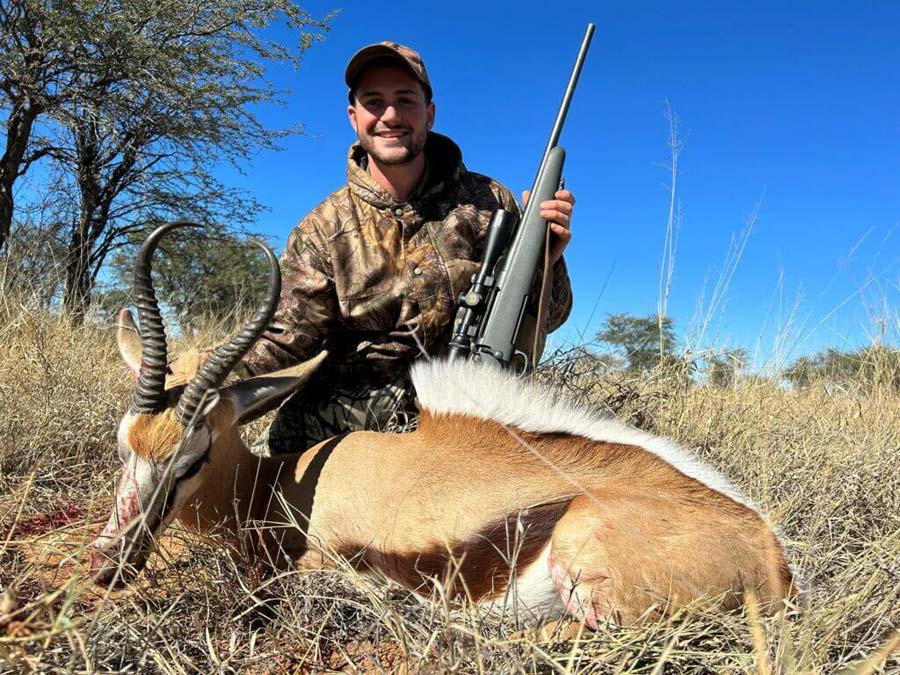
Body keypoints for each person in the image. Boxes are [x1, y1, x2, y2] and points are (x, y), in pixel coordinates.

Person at [237, 41, 576, 454]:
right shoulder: (322, 230)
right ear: (354, 117)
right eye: (374, 102)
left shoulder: (492, 202)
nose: (391, 116)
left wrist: (549, 261)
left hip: (474, 413)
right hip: (353, 433)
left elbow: (550, 316)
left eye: (405, 101)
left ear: (429, 113)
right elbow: (283, 345)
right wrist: (194, 387)